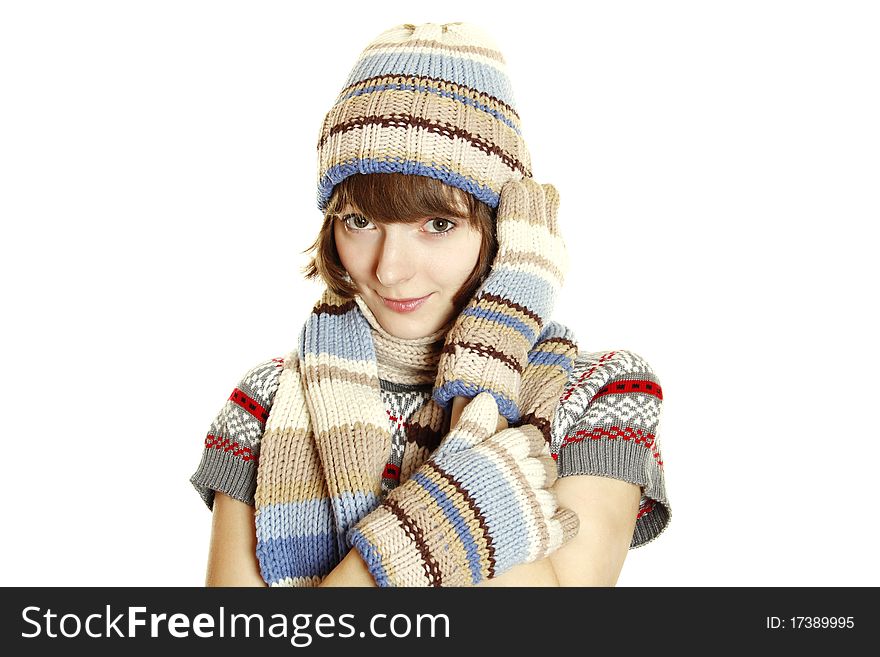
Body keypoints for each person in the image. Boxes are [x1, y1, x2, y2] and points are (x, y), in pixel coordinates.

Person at [190, 21, 671, 587]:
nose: (389, 268)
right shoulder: (267, 402)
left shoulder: (603, 393)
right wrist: (464, 505)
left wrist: (489, 362)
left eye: (437, 224)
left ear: (503, 228)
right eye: (360, 221)